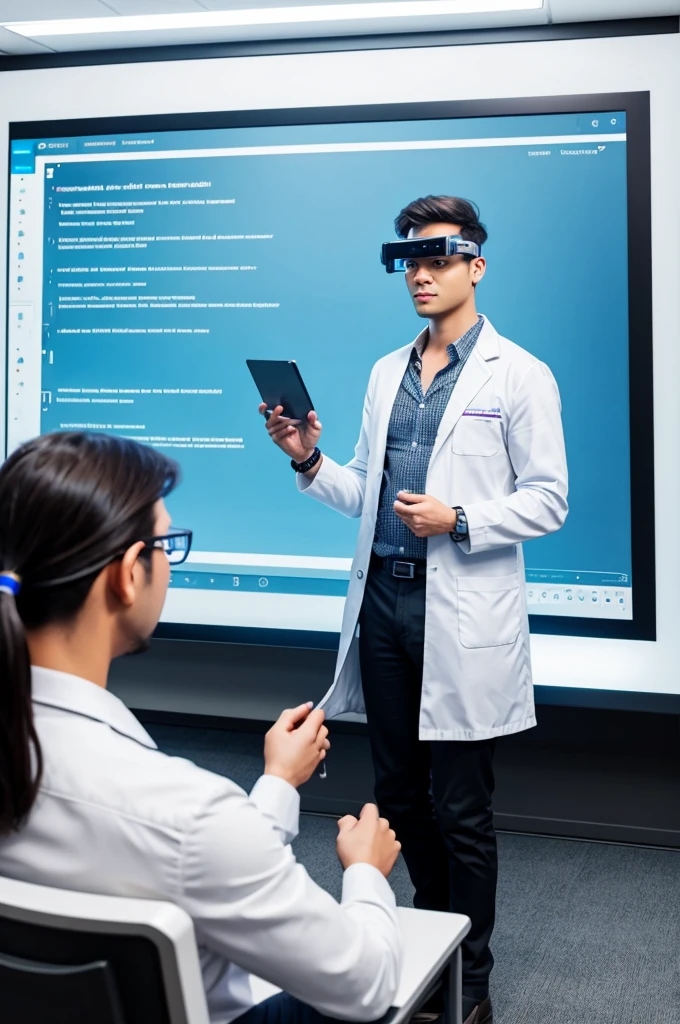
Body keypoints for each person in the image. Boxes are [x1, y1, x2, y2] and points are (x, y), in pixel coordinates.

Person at [261, 195, 569, 1024]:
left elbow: (549, 501)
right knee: (398, 794)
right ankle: (430, 939)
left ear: (476, 264)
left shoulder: (521, 374)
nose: (421, 275)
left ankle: (472, 977)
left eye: (438, 258)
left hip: (460, 611)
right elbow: (366, 496)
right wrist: (308, 457)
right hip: (386, 611)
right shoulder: (383, 373)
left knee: (462, 808)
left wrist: (461, 519)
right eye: (409, 261)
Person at [0, 430, 403, 1024]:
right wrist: (367, 874)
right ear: (129, 574)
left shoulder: (174, 816)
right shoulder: (185, 813)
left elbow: (193, 854)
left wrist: (276, 785)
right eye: (166, 544)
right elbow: (363, 983)